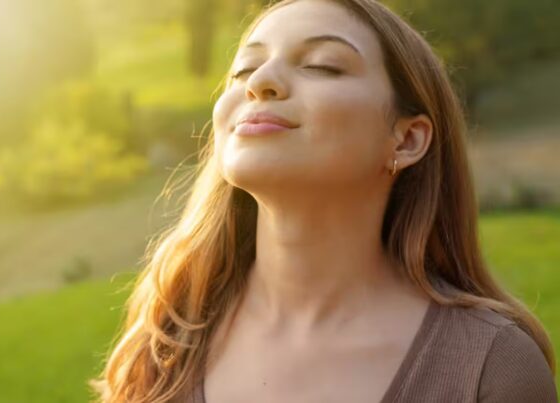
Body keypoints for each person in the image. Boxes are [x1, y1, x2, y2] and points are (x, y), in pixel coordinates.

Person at [90, 0, 558, 402]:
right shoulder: (166, 337)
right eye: (244, 70)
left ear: (407, 139)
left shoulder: (490, 366)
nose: (261, 82)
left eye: (321, 65)